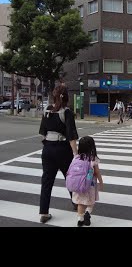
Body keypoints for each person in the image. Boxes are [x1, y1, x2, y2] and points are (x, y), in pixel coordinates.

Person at [38, 85, 79, 224]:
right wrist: (76, 153)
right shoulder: (67, 112)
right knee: (70, 178)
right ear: (66, 97)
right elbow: (71, 136)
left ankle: (43, 212)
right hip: (63, 149)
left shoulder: (47, 110)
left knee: (46, 181)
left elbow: (42, 133)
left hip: (48, 149)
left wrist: (47, 146)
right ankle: (76, 203)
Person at [72, 136, 103, 227]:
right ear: (92, 146)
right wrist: (101, 182)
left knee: (80, 203)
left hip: (78, 185)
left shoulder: (76, 158)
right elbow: (97, 173)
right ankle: (87, 214)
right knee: (90, 202)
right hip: (90, 185)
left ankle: (80, 220)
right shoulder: (93, 158)